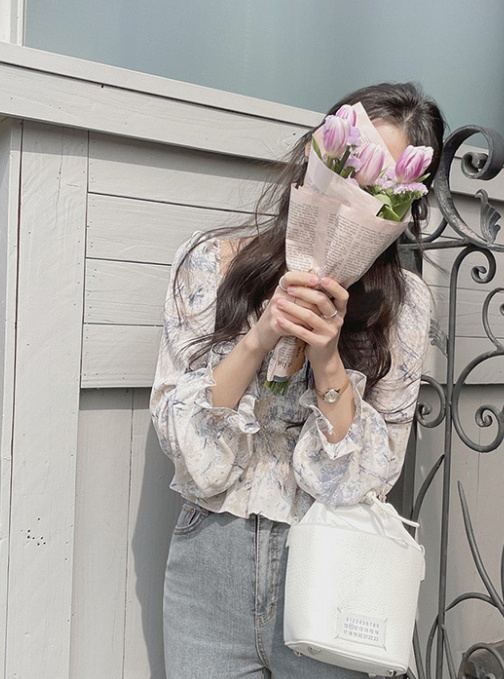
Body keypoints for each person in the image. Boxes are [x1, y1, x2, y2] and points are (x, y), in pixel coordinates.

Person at [150, 82, 445, 679]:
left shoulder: (404, 304)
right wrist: (261, 336)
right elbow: (190, 456)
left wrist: (327, 356)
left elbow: (368, 476)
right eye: (347, 166)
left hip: (330, 568)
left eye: (380, 186)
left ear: (403, 205)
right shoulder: (212, 262)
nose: (355, 193)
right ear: (316, 157)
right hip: (210, 569)